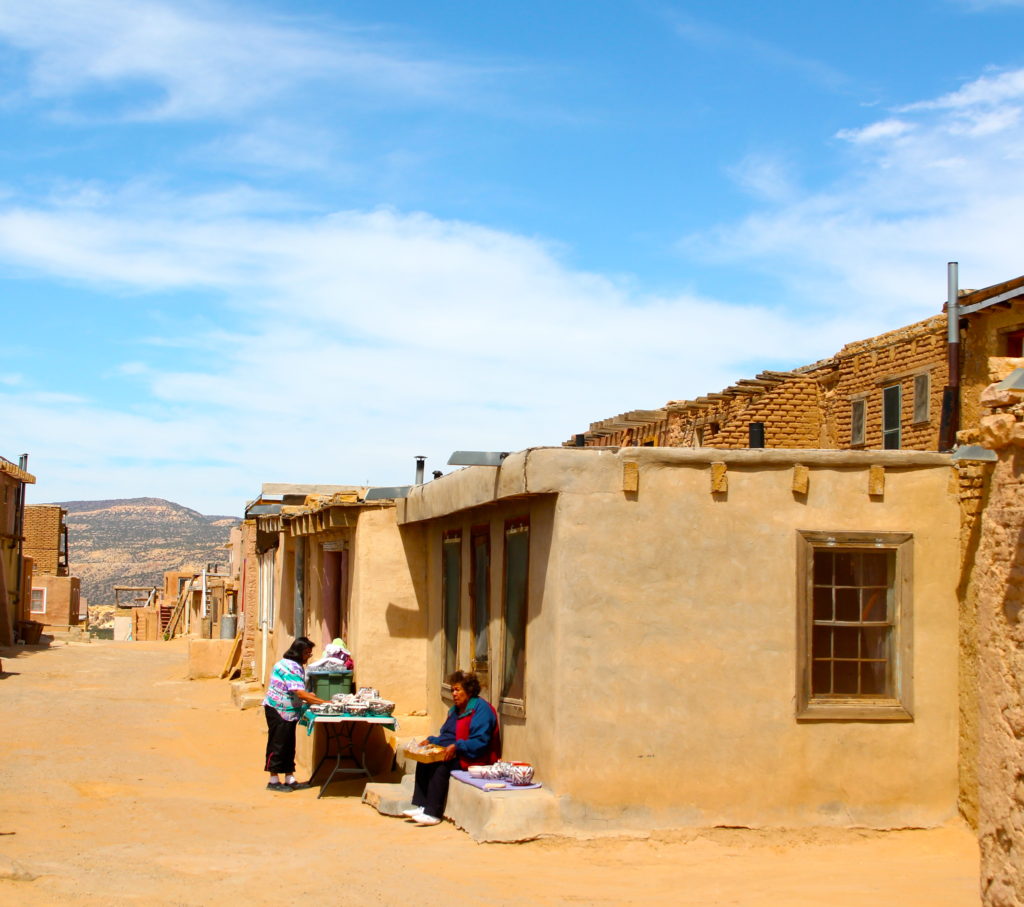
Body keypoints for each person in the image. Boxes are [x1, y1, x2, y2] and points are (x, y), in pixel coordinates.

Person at [403, 670, 501, 826]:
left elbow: (480, 742)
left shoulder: (481, 710)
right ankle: (422, 805)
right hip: (455, 752)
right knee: (424, 759)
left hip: (473, 757)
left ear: (469, 691)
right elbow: (446, 736)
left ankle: (433, 813)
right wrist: (430, 741)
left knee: (441, 765)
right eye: (452, 690)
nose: (454, 694)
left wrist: (457, 746)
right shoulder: (454, 710)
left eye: (457, 690)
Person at [263, 636, 328, 792]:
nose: (308, 656)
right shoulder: (291, 667)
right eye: (307, 653)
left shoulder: (295, 665)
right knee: (278, 745)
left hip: (289, 711)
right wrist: (326, 703)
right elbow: (300, 693)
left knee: (289, 745)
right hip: (279, 710)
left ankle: (289, 778)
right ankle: (273, 780)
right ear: (298, 652)